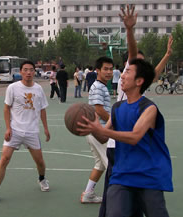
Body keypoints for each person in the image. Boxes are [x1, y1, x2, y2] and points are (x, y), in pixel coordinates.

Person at [98, 4, 174, 217]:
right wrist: (92, 127)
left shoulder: (146, 104)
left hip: (137, 155)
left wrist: (167, 55)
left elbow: (152, 73)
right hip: (117, 149)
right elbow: (135, 58)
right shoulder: (123, 89)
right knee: (116, 199)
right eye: (133, 63)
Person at [78, 58, 173, 217]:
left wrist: (101, 130)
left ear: (139, 81)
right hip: (122, 174)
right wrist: (88, 126)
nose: (121, 76)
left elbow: (135, 137)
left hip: (148, 175)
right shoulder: (117, 108)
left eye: (127, 72)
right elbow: (102, 137)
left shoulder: (148, 108)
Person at [0, 60, 50, 203]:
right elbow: (6, 108)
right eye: (25, 70)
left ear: (34, 72)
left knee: (39, 161)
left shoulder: (39, 89)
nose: (28, 72)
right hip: (15, 130)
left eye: (31, 70)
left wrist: (45, 128)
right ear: (20, 72)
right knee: (4, 159)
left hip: (32, 132)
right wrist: (8, 128)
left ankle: (42, 179)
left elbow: (43, 109)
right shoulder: (13, 88)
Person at [80, 57, 113, 204]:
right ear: (98, 70)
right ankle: (119, 199)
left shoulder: (101, 86)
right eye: (105, 69)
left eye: (111, 69)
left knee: (99, 164)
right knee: (114, 166)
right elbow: (99, 109)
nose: (109, 72)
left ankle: (88, 193)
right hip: (99, 131)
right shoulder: (98, 86)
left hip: (95, 131)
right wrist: (115, 121)